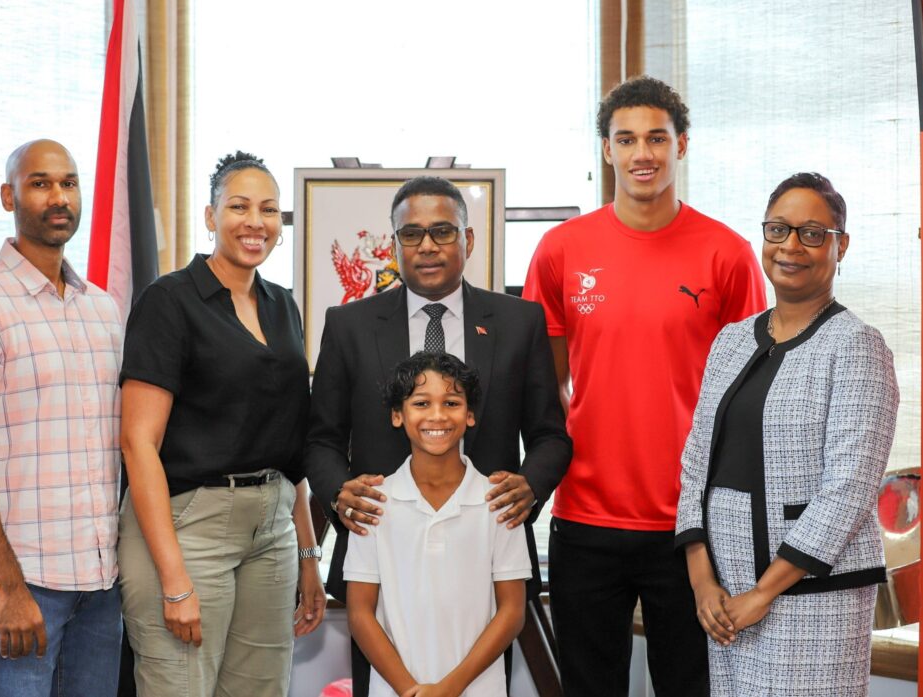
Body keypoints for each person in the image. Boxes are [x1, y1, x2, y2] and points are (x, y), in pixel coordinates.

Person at [522, 75, 767, 696]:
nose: (642, 153)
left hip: (692, 524)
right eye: (626, 139)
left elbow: (749, 396)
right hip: (586, 516)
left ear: (681, 145)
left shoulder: (727, 253)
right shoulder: (561, 250)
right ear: (606, 149)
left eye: (657, 138)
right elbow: (546, 387)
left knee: (690, 687)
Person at [305, 175, 571, 696]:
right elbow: (320, 440)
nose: (427, 245)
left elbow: (551, 436)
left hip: (485, 556)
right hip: (383, 554)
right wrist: (340, 494)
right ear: (395, 244)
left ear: (467, 239)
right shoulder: (349, 325)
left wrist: (529, 487)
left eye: (443, 231)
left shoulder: (519, 321)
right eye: (412, 234)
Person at [675, 172, 899, 696]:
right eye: (778, 230)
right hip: (724, 595)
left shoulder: (857, 346)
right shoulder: (731, 340)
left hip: (813, 596)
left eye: (812, 233)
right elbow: (695, 462)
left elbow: (848, 490)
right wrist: (702, 580)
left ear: (841, 245)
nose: (791, 246)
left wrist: (762, 594)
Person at [117, 151, 325, 697]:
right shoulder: (169, 301)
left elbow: (290, 445)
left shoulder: (283, 306)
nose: (255, 222)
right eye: (239, 206)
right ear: (211, 216)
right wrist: (173, 578)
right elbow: (138, 443)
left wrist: (308, 556)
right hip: (188, 528)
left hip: (273, 527)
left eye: (269, 209)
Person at [0, 139, 124, 696]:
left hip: (99, 585)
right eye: (40, 183)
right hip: (19, 585)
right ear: (8, 196)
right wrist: (8, 586)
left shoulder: (103, 310)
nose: (58, 196)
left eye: (69, 183)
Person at [345, 351, 530, 696]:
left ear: (470, 414)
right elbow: (359, 614)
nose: (437, 415)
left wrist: (448, 688)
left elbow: (512, 611)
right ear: (397, 415)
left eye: (451, 402)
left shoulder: (500, 501)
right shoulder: (373, 503)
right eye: (421, 403)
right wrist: (410, 689)